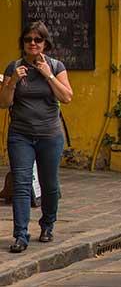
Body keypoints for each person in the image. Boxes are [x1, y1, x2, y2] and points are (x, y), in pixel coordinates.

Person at [0, 21, 72, 253]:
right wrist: (12, 83)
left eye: (38, 40)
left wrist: (48, 76)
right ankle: (21, 235)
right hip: (20, 134)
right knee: (21, 184)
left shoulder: (56, 66)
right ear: (22, 43)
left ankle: (47, 224)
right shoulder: (14, 67)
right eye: (28, 39)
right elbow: (3, 104)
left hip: (49, 135)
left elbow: (67, 97)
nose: (33, 43)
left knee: (49, 184)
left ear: (45, 43)